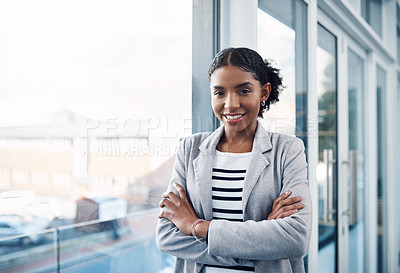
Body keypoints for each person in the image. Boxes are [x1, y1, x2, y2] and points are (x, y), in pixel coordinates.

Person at [156, 47, 312, 273]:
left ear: (264, 92)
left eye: (243, 91)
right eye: (220, 93)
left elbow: (295, 238)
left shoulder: (287, 150)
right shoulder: (190, 149)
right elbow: (167, 237)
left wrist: (195, 226)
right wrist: (261, 241)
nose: (230, 104)